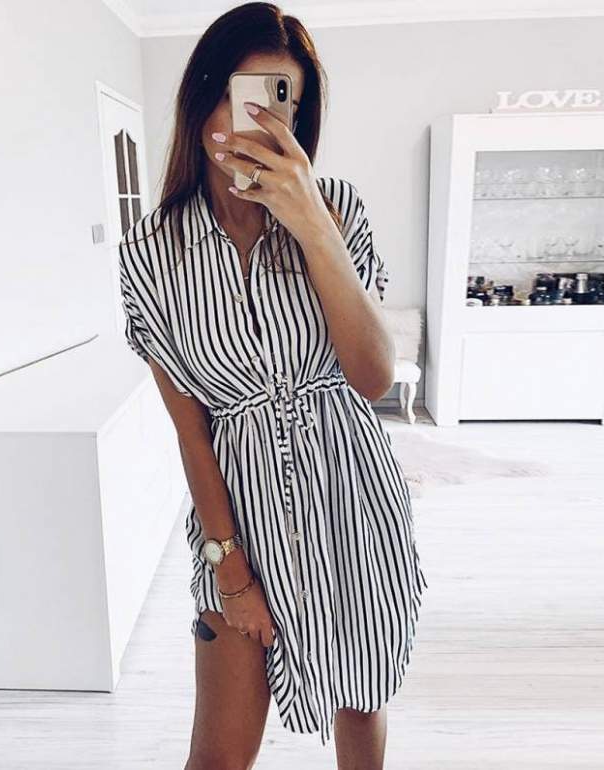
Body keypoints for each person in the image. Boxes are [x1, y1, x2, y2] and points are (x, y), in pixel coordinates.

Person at [117, 3, 427, 768]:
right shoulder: (151, 252)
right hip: (242, 517)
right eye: (240, 94)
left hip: (352, 501)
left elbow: (372, 376)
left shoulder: (337, 210)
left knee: (362, 697)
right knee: (217, 757)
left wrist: (311, 221)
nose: (255, 120)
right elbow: (191, 426)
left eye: (278, 101)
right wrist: (228, 564)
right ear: (202, 99)